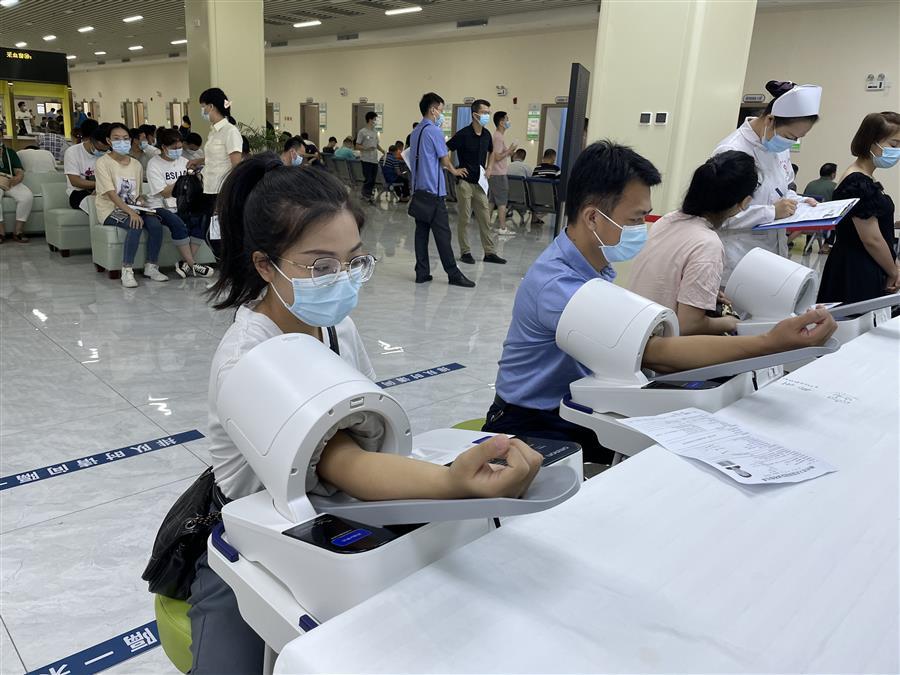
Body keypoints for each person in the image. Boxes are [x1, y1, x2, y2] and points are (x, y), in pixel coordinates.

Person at [189, 155, 543, 672]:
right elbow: (340, 461)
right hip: (257, 542)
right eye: (320, 266)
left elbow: (364, 429)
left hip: (335, 515)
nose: (342, 280)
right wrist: (453, 485)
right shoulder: (247, 356)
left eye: (353, 261)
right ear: (265, 265)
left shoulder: (336, 327)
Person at [483, 140, 837, 462]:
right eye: (635, 219)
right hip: (532, 423)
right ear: (592, 217)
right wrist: (770, 343)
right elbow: (657, 354)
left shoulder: (589, 262)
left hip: (577, 401)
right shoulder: (558, 283)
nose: (642, 227)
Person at [629, 151, 758, 335]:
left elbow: (664, 280)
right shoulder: (708, 244)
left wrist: (703, 295)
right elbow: (688, 325)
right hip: (658, 341)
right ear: (745, 202)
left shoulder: (667, 220)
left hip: (635, 327)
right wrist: (730, 323)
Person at [713, 80, 822, 281]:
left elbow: (782, 190)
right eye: (790, 136)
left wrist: (798, 201)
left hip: (772, 255)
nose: (791, 143)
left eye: (797, 138)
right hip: (737, 258)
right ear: (770, 120)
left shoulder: (777, 147)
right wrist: (771, 212)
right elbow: (719, 215)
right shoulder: (731, 151)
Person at [817, 112, 900, 304]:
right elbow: (871, 239)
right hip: (856, 268)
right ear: (871, 142)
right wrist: (893, 271)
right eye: (894, 145)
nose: (897, 151)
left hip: (868, 262)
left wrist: (893, 263)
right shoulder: (857, 181)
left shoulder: (866, 178)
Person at [408, 92, 475, 288]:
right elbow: (444, 160)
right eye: (441, 110)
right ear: (433, 110)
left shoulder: (415, 132)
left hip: (419, 190)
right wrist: (455, 170)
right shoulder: (434, 131)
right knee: (443, 235)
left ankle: (422, 273)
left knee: (421, 233)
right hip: (434, 192)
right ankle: (453, 274)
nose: (442, 114)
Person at [94, 124, 170, 288]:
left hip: (134, 208)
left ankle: (151, 266)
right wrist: (132, 213)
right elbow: (111, 194)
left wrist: (142, 203)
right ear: (108, 141)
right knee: (135, 224)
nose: (122, 142)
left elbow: (138, 193)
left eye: (125, 138)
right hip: (110, 209)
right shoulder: (102, 163)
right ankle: (127, 270)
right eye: (117, 139)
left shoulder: (136, 164)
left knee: (155, 224)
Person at [145, 128, 214, 278]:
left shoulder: (184, 162)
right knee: (178, 223)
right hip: (160, 206)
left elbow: (192, 188)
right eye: (174, 148)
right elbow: (164, 192)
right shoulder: (154, 164)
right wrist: (183, 180)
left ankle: (185, 264)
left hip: (183, 205)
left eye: (180, 147)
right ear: (164, 147)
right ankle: (193, 265)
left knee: (203, 218)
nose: (178, 151)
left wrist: (195, 178)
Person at [447, 99, 506, 265]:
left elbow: (492, 152)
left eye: (488, 112)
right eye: (484, 112)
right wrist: (453, 170)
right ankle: (465, 252)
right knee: (465, 218)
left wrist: (490, 167)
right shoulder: (463, 134)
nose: (487, 115)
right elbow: (444, 150)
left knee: (485, 218)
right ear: (475, 115)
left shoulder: (486, 135)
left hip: (480, 183)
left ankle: (489, 252)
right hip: (464, 182)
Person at [187, 88, 243, 252]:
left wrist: (228, 194)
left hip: (222, 191)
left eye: (203, 106)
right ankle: (224, 263)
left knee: (217, 235)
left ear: (211, 106)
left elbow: (236, 166)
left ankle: (228, 265)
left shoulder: (230, 131)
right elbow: (216, 156)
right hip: (209, 188)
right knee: (209, 232)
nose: (202, 111)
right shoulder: (213, 131)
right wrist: (198, 160)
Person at [63, 119, 109, 211]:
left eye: (105, 150)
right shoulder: (73, 152)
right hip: (78, 193)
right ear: (91, 140)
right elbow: (75, 181)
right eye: (99, 149)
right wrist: (100, 185)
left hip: (103, 191)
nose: (102, 152)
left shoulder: (107, 153)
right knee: (98, 204)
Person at [489, 111, 518, 236]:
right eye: (507, 119)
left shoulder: (498, 136)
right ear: (501, 122)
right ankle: (502, 227)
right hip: (498, 174)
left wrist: (510, 151)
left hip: (495, 173)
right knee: (502, 202)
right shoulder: (498, 137)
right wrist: (509, 150)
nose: (508, 122)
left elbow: (501, 154)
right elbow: (497, 157)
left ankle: (486, 226)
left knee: (491, 201)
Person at [0, 141, 34, 243]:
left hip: (9, 180)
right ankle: (1, 232)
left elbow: (18, 170)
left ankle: (18, 231)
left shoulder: (10, 152)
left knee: (26, 196)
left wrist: (18, 177)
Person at [355, 111, 384, 203]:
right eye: (375, 119)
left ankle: (368, 194)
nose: (376, 121)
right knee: (368, 178)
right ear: (370, 120)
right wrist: (366, 148)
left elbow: (376, 145)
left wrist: (382, 150)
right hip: (366, 159)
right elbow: (357, 146)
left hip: (374, 159)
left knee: (373, 179)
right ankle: (366, 195)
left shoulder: (375, 132)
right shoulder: (362, 132)